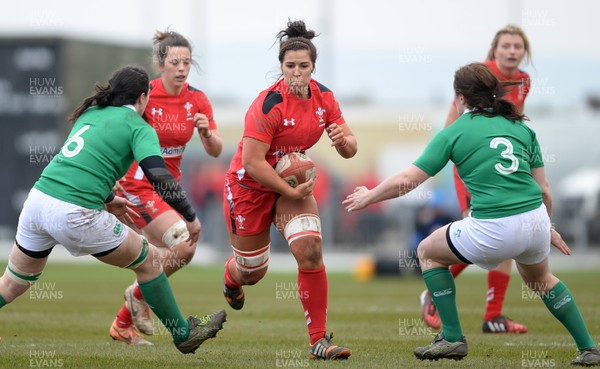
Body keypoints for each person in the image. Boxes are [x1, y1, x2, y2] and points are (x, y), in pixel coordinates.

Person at [343, 62, 600, 365]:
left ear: (460, 98)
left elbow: (407, 181)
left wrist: (369, 197)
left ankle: (452, 338)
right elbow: (544, 190)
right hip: (535, 221)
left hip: (496, 227)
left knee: (428, 251)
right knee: (542, 279)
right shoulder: (521, 127)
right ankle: (588, 348)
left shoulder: (454, 132)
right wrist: (548, 227)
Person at [0, 65, 226, 353]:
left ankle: (163, 327)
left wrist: (107, 198)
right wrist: (191, 217)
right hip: (74, 211)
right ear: (143, 97)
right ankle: (184, 334)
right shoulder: (139, 127)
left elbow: (79, 162)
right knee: (151, 262)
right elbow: (159, 176)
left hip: (38, 201)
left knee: (12, 283)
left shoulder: (91, 113)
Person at [220, 20, 356, 360]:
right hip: (249, 188)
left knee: (310, 251)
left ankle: (319, 340)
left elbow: (350, 147)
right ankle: (231, 277)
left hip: (290, 187)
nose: (297, 73)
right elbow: (252, 162)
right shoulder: (268, 105)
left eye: (304, 66)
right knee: (253, 272)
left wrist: (344, 142)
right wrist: (290, 189)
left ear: (313, 67)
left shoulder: (325, 98)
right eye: (290, 66)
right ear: (281, 67)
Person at [109, 29, 223, 346]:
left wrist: (207, 135)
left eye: (187, 61)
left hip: (169, 190)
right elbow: (119, 129)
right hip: (139, 185)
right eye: (176, 62)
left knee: (179, 250)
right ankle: (136, 298)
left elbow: (215, 150)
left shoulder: (197, 99)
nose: (183, 68)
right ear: (161, 64)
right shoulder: (145, 95)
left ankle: (125, 318)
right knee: (184, 242)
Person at [420, 24, 532, 334]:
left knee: (503, 243)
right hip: (471, 171)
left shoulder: (524, 80)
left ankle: (493, 316)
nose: (512, 51)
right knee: (482, 239)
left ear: (525, 52)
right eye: (506, 45)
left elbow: (511, 123)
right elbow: (451, 123)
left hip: (497, 170)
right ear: (494, 50)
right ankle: (432, 293)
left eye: (518, 46)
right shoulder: (481, 76)